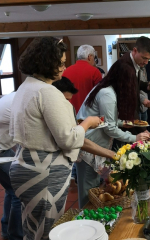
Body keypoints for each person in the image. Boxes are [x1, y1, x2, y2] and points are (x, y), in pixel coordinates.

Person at [9, 37, 102, 240]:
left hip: (24, 163)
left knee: (32, 229)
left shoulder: (26, 87)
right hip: (44, 170)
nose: (64, 67)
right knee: (48, 231)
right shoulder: (48, 92)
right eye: (60, 63)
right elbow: (67, 139)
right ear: (46, 62)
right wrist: (87, 123)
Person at [76, 61, 150, 208]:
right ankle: (87, 224)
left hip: (99, 148)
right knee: (89, 196)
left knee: (102, 190)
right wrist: (134, 138)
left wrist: (120, 123)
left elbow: (104, 120)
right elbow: (109, 128)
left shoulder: (108, 90)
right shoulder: (108, 94)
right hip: (89, 148)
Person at [52, 77, 117, 185]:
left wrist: (110, 153)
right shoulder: (53, 113)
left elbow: (80, 139)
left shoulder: (65, 109)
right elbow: (74, 139)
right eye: (65, 100)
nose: (67, 104)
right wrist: (88, 122)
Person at [0, 92, 23, 240]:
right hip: (1, 151)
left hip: (4, 148)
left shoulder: (16, 96)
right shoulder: (19, 102)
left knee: (10, 190)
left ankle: (7, 230)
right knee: (18, 192)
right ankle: (16, 236)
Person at [117, 36, 150, 120]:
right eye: (144, 58)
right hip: (124, 113)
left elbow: (132, 82)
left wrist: (146, 86)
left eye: (149, 59)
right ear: (135, 51)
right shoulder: (126, 67)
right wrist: (139, 126)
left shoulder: (133, 61)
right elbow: (128, 99)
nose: (146, 62)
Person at [62, 44, 102, 112]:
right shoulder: (95, 72)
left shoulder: (66, 71)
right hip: (89, 114)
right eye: (94, 57)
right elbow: (100, 96)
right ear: (89, 57)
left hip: (70, 113)